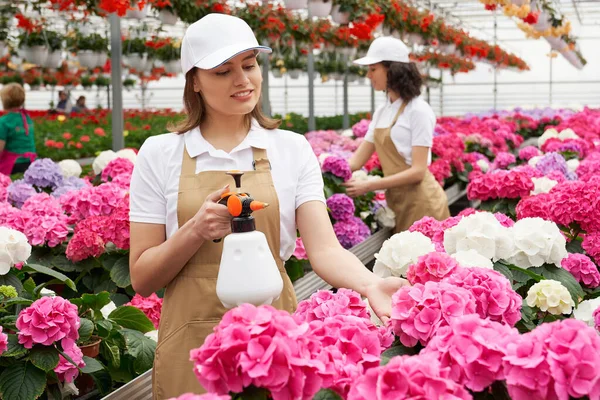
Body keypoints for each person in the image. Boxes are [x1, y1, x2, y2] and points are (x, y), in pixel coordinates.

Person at [128, 14, 408, 399]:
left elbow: (324, 249)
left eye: (249, 65)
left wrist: (371, 284)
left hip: (273, 335)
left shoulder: (290, 148)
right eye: (223, 71)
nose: (242, 80)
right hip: (189, 339)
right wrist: (195, 230)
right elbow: (142, 277)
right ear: (194, 80)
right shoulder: (160, 153)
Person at [344, 36, 450, 233]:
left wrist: (369, 185)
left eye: (373, 69)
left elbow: (418, 171)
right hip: (397, 201)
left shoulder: (418, 110)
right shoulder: (383, 111)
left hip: (423, 202)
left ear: (392, 70)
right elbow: (356, 161)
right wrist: (325, 170)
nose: (369, 75)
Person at [0, 83, 37, 175]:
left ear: (5, 100)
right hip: (31, 163)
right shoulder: (26, 117)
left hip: (13, 165)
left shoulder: (4, 121)